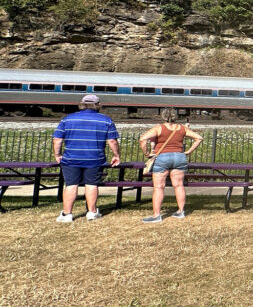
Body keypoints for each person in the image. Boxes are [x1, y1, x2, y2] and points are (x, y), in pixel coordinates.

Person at [52, 94, 121, 222]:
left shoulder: (67, 119)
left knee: (71, 185)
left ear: (81, 104)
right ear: (99, 105)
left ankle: (67, 214)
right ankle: (92, 212)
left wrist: (57, 155)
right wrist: (116, 156)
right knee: (91, 184)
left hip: (71, 158)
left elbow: (57, 139)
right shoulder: (106, 120)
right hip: (95, 158)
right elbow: (112, 141)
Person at [138, 108, 204, 222]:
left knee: (159, 187)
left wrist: (147, 153)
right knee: (178, 185)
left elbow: (142, 139)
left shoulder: (159, 128)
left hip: (162, 157)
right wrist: (188, 151)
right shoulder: (182, 128)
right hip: (179, 157)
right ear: (176, 117)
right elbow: (199, 138)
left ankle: (156, 215)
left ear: (163, 117)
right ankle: (180, 211)